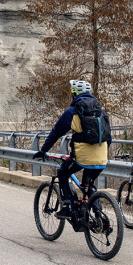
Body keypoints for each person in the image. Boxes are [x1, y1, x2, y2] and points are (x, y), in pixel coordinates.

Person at [32, 80, 112, 218]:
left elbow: (56, 133)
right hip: (101, 155)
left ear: (74, 94)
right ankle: (101, 218)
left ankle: (68, 207)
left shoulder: (72, 111)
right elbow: (108, 137)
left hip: (82, 157)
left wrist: (43, 150)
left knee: (63, 173)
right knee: (89, 185)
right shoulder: (100, 111)